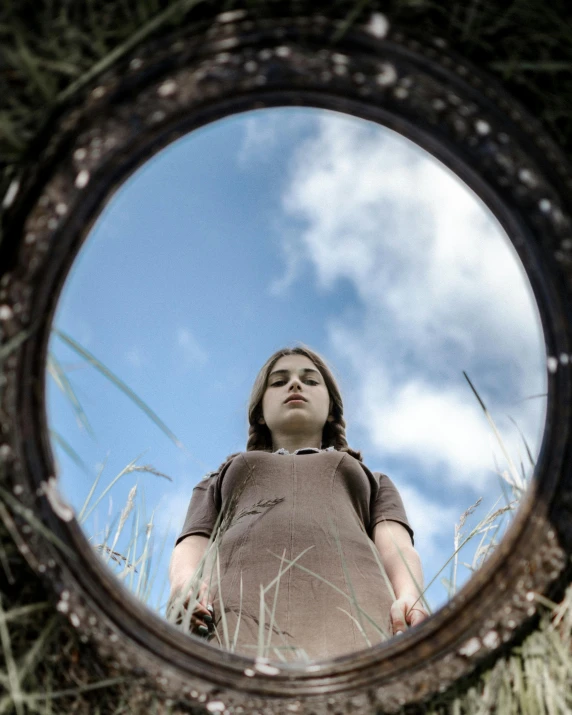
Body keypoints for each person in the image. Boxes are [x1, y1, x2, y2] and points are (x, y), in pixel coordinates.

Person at [168, 346, 428, 661]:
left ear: (332, 408)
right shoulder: (216, 480)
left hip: (359, 614)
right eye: (278, 382)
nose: (294, 385)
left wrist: (410, 596)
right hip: (232, 617)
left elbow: (396, 548)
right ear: (260, 412)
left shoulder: (375, 481)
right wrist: (185, 586)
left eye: (310, 380)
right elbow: (193, 543)